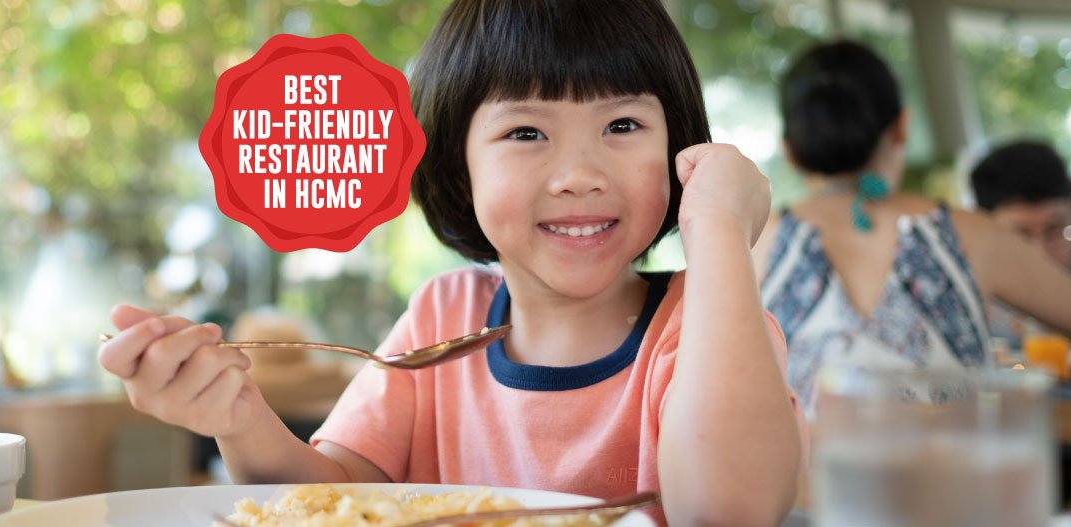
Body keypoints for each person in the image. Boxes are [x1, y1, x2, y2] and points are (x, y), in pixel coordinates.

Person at [99, 1, 805, 524]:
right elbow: (337, 493)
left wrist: (715, 227)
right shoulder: (445, 315)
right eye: (526, 131)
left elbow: (729, 509)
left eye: (623, 125)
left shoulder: (710, 327)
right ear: (457, 168)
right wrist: (237, 413)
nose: (580, 174)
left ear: (678, 148)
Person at [755, 40, 1071, 417]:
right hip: (958, 475)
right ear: (901, 127)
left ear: (789, 149)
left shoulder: (753, 248)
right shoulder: (970, 235)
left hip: (811, 477)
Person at [970, 140, 1071, 348]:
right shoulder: (970, 306)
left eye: (1053, 230)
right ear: (983, 228)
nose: (1040, 252)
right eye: (1020, 237)